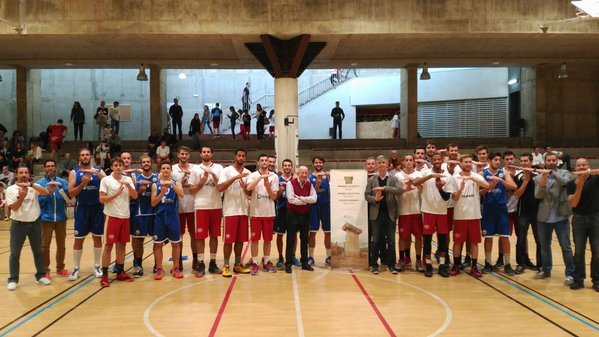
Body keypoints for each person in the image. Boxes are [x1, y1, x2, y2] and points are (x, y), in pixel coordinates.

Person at [6, 166, 56, 291]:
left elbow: (47, 193)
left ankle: (40, 275)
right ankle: (13, 279)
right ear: (16, 175)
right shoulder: (11, 190)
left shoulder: (34, 188)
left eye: (26, 172)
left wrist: (31, 185)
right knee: (15, 253)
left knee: (38, 251)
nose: (24, 174)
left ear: (29, 175)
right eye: (21, 172)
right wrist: (22, 197)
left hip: (35, 224)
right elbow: (14, 208)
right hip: (18, 225)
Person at [445, 155, 489, 278]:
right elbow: (454, 197)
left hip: (474, 215)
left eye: (470, 162)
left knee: (475, 242)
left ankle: (474, 266)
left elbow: (486, 186)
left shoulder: (476, 176)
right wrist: (461, 189)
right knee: (457, 242)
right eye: (466, 162)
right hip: (460, 216)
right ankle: (456, 265)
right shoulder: (455, 178)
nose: (468, 164)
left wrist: (474, 179)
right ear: (461, 163)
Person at [534, 152, 575, 283]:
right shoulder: (538, 177)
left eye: (553, 160)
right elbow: (538, 196)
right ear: (545, 161)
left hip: (561, 217)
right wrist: (542, 182)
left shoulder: (566, 173)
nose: (551, 163)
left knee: (566, 246)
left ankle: (570, 273)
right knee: (545, 247)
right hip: (544, 218)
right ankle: (546, 271)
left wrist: (552, 174)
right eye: (549, 160)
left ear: (558, 161)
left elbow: (564, 183)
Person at [98, 157, 138, 287]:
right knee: (109, 246)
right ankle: (104, 275)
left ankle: (120, 272)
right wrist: (116, 194)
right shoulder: (106, 180)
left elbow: (135, 196)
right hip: (111, 216)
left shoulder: (127, 179)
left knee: (122, 245)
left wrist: (128, 185)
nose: (119, 167)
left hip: (125, 216)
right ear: (112, 167)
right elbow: (102, 199)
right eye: (116, 165)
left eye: (120, 165)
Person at [68, 148, 106, 281]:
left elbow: (109, 183)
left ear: (91, 157)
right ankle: (76, 268)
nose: (85, 157)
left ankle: (97, 266)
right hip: (82, 210)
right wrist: (83, 183)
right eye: (82, 155)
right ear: (79, 157)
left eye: (87, 155)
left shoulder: (98, 171)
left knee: (97, 239)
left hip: (97, 209)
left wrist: (95, 173)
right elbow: (71, 193)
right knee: (79, 240)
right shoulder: (74, 172)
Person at [412, 152, 451, 277]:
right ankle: (428, 265)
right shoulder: (425, 173)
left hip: (442, 212)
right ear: (432, 160)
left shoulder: (447, 176)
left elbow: (446, 197)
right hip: (428, 211)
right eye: (435, 159)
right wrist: (430, 177)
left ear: (442, 160)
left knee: (443, 240)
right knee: (427, 240)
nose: (437, 161)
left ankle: (443, 265)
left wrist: (440, 189)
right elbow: (415, 183)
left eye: (439, 159)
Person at [188, 146, 224, 277]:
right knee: (200, 237)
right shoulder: (195, 169)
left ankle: (213, 263)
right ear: (200, 154)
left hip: (216, 206)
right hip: (201, 206)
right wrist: (201, 183)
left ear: (212, 154)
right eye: (204, 152)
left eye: (208, 152)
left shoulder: (219, 168)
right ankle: (201, 263)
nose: (206, 154)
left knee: (214, 236)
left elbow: (222, 187)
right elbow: (191, 191)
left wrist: (213, 177)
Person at [480, 152, 518, 275]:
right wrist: (490, 187)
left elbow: (514, 186)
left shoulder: (504, 172)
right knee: (489, 237)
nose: (498, 162)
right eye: (495, 159)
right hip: (488, 209)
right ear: (490, 160)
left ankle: (507, 264)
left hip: (502, 209)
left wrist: (501, 180)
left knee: (505, 237)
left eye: (499, 160)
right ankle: (488, 263)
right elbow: (479, 192)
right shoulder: (483, 173)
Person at [216, 148, 252, 277]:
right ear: (235, 157)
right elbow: (220, 187)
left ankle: (237, 265)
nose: (241, 158)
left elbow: (250, 193)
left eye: (243, 156)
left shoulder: (248, 173)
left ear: (245, 158)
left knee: (240, 240)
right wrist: (235, 178)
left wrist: (245, 189)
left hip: (243, 210)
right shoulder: (226, 171)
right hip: (230, 211)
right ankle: (226, 265)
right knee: (228, 241)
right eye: (239, 155)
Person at [365, 155, 402, 274]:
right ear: (376, 165)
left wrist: (385, 188)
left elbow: (400, 190)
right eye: (379, 163)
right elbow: (366, 195)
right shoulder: (372, 180)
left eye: (383, 163)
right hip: (376, 214)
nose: (381, 165)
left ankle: (392, 265)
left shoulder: (394, 178)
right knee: (375, 240)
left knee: (391, 240)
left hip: (390, 213)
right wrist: (375, 199)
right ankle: (375, 264)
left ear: (387, 165)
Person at [568, 158, 599, 291]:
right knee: (579, 251)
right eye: (578, 165)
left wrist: (591, 172)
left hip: (596, 219)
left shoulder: (596, 179)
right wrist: (579, 186)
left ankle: (597, 280)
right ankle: (578, 279)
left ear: (588, 166)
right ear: (575, 169)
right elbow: (573, 203)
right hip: (579, 219)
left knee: (597, 252)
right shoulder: (571, 183)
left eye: (583, 165)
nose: (581, 167)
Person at [246, 154, 279, 275]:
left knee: (268, 240)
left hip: (269, 213)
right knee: (254, 240)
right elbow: (249, 188)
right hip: (256, 213)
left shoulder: (274, 177)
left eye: (266, 160)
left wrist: (268, 186)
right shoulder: (253, 175)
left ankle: (266, 261)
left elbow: (274, 196)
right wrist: (260, 178)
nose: (265, 162)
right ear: (258, 162)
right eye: (262, 160)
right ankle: (254, 262)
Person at [37, 159, 70, 280]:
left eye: (52, 166)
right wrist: (48, 193)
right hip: (46, 219)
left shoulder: (63, 182)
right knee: (45, 246)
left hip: (61, 218)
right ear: (44, 168)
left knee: (61, 245)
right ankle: (45, 269)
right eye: (48, 166)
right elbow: (38, 203)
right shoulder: (40, 184)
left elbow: (69, 198)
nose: (50, 168)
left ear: (56, 168)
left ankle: (60, 268)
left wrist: (62, 191)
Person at [152, 162, 185, 280]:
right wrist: (161, 193)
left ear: (171, 170)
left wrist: (172, 185)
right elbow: (153, 203)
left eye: (168, 168)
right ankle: (159, 269)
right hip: (160, 217)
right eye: (163, 168)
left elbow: (182, 195)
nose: (165, 170)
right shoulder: (155, 185)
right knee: (158, 244)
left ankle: (176, 268)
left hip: (173, 217)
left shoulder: (176, 183)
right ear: (160, 171)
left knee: (175, 244)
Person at [285, 166, 318, 274]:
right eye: (302, 173)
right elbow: (290, 199)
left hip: (305, 215)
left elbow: (314, 198)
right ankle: (288, 264)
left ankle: (304, 263)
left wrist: (302, 199)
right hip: (292, 215)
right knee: (290, 240)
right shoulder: (291, 183)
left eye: (306, 173)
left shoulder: (309, 184)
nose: (304, 175)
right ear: (298, 173)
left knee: (305, 240)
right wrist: (306, 201)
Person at [395, 154, 425, 272]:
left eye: (410, 160)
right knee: (403, 236)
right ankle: (402, 259)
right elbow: (396, 192)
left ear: (413, 162)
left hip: (417, 210)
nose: (408, 162)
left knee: (418, 236)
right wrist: (404, 190)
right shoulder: (398, 176)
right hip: (403, 211)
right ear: (403, 162)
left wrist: (415, 182)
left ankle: (418, 260)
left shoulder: (419, 175)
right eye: (406, 160)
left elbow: (423, 191)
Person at [513, 153, 541, 273]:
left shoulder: (538, 176)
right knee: (521, 239)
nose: (524, 163)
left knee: (539, 240)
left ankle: (541, 265)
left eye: (526, 161)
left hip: (537, 213)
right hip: (522, 212)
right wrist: (525, 182)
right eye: (522, 161)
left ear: (531, 162)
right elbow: (517, 194)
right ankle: (521, 264)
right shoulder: (518, 177)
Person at [172, 146, 198, 272]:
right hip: (178, 207)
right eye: (182, 154)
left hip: (193, 206)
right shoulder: (172, 169)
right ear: (178, 155)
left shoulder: (195, 168)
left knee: (194, 235)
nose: (184, 156)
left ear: (189, 155)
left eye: (186, 154)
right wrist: (181, 182)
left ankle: (196, 261)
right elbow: (171, 187)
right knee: (179, 236)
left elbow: (198, 185)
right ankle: (179, 262)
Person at [308, 156, 332, 266]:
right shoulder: (309, 177)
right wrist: (317, 185)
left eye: (320, 162)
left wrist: (329, 176)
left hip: (326, 206)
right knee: (312, 232)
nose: (318, 164)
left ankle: (329, 257)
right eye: (316, 162)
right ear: (313, 164)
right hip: (313, 206)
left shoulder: (329, 177)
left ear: (323, 164)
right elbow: (311, 192)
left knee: (328, 232)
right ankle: (311, 257)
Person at [274, 159, 297, 269]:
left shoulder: (295, 179)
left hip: (294, 210)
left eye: (289, 165)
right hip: (282, 210)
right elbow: (275, 197)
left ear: (292, 166)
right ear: (282, 167)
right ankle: (281, 257)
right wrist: (281, 191)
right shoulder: (278, 179)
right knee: (280, 235)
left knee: (294, 235)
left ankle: (293, 256)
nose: (287, 167)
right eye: (285, 165)